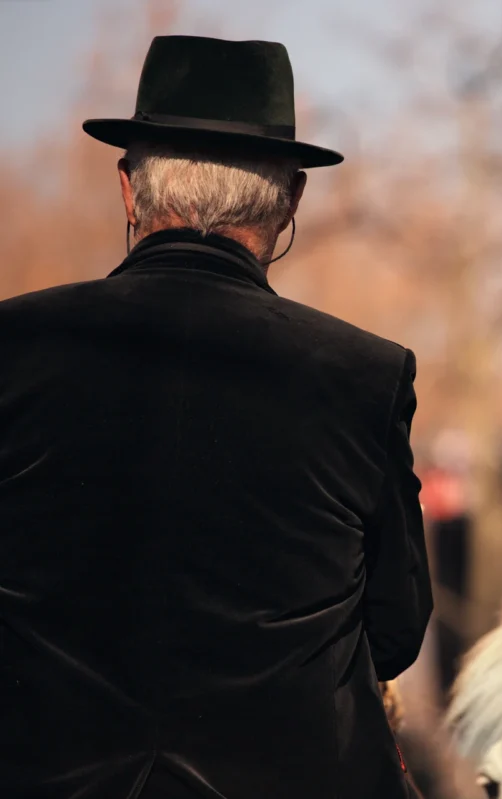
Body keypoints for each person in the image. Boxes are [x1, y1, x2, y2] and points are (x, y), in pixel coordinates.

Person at [0, 36, 432, 799]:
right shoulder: (362, 375)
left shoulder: (15, 346)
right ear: (292, 199)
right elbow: (395, 628)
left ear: (131, 193)